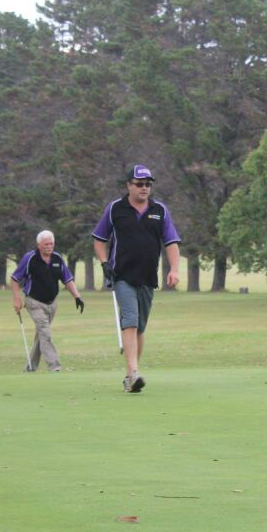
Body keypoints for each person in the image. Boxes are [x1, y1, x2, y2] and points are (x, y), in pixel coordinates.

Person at [93, 164, 181, 393]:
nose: (144, 188)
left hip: (147, 276)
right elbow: (99, 239)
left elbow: (171, 242)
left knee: (139, 327)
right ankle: (134, 372)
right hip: (122, 275)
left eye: (148, 185)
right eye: (139, 184)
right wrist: (104, 263)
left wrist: (174, 269)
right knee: (130, 320)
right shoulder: (115, 209)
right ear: (128, 185)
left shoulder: (160, 210)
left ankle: (130, 377)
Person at [11, 230, 85, 372]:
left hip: (52, 303)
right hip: (34, 302)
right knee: (45, 333)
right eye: (46, 244)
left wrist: (77, 296)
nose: (49, 246)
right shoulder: (30, 258)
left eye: (51, 244)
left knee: (41, 336)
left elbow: (67, 279)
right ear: (39, 245)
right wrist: (17, 299)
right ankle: (55, 366)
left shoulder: (57, 259)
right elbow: (15, 279)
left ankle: (30, 368)